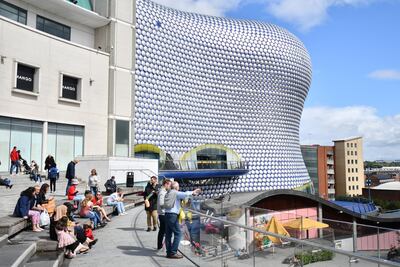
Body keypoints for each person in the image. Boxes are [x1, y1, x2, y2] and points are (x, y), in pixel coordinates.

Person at [164, 182, 201, 259]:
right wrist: (193, 192)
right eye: (178, 186)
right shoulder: (176, 193)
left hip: (167, 214)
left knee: (168, 235)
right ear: (177, 187)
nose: (179, 188)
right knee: (178, 233)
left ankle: (168, 252)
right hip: (173, 215)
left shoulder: (168, 192)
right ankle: (173, 252)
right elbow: (185, 194)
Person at [157, 179, 172, 250]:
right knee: (165, 231)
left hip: (162, 213)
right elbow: (161, 204)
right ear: (166, 184)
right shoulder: (162, 192)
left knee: (162, 231)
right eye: (169, 185)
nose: (170, 186)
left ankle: (160, 245)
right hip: (163, 214)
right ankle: (167, 247)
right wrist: (169, 205)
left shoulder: (162, 191)